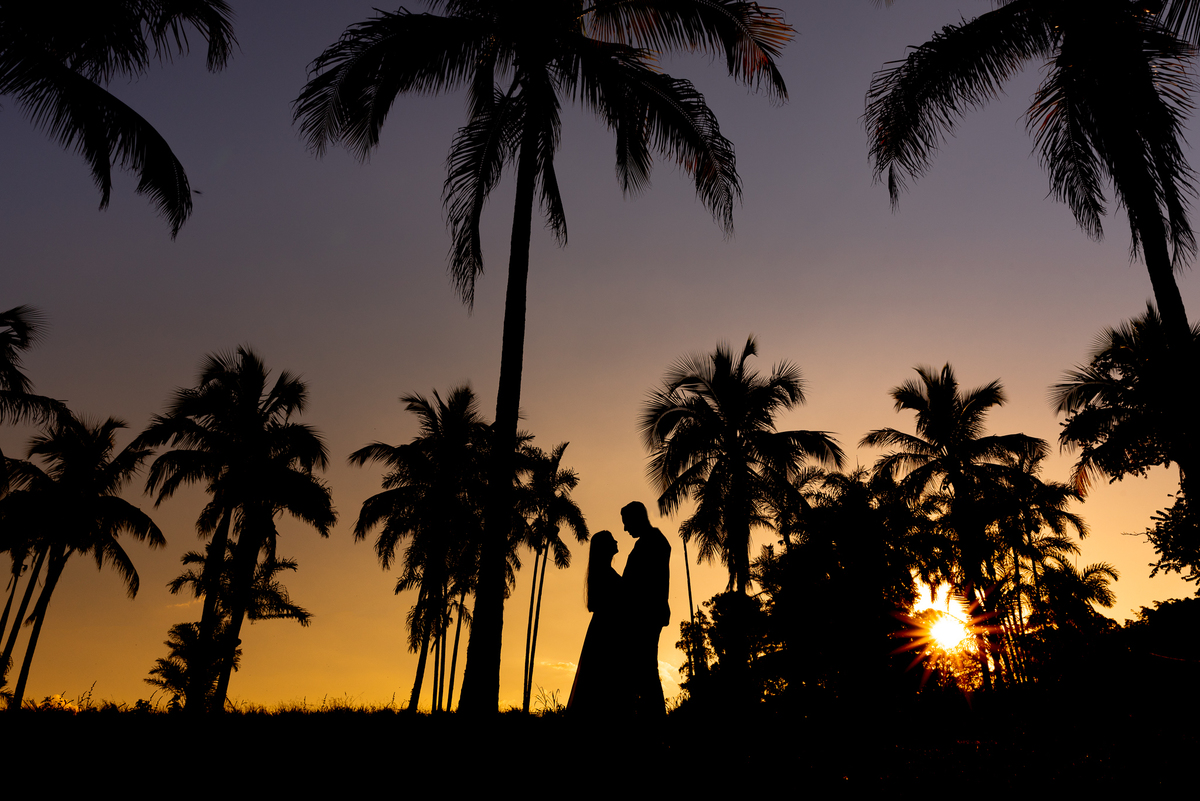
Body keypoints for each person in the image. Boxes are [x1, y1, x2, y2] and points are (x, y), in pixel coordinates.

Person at [620, 501, 670, 716]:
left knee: (645, 670)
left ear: (637, 518)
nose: (625, 528)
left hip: (644, 615)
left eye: (627, 523)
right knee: (643, 669)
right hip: (647, 614)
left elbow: (635, 583)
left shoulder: (651, 543)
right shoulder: (652, 541)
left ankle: (655, 721)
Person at [568, 530, 624, 714]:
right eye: (611, 540)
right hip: (606, 630)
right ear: (605, 547)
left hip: (604, 627)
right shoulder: (605, 574)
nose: (616, 541)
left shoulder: (603, 572)